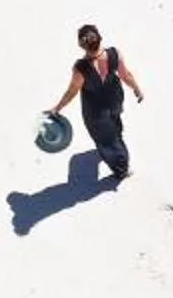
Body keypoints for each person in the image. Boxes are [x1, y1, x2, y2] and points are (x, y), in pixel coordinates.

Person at [49, 23, 144, 180]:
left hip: (95, 110)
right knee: (115, 119)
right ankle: (117, 136)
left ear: (81, 45)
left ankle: (121, 169)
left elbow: (72, 91)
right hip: (115, 98)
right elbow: (126, 75)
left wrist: (57, 108)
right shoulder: (114, 53)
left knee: (106, 140)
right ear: (100, 38)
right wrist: (137, 89)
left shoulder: (81, 68)